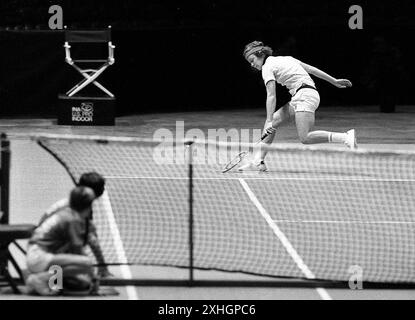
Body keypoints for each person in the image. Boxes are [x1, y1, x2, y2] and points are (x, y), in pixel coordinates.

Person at [239, 41, 356, 172]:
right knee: (276, 122)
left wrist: (268, 120)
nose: (252, 64)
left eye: (252, 59)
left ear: (260, 54)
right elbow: (312, 70)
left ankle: (345, 137)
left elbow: (271, 95)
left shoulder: (267, 67)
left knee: (305, 137)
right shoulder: (286, 59)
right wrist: (334, 81)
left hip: (304, 96)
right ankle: (258, 161)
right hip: (304, 95)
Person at [25, 186, 98, 295]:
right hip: (39, 257)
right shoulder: (73, 220)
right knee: (87, 263)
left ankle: (52, 284)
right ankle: (39, 278)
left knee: (80, 278)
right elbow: (79, 251)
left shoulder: (67, 212)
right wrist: (94, 278)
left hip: (37, 255)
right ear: (87, 205)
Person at [38, 171, 111, 278]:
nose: (104, 190)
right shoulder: (77, 210)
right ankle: (44, 278)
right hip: (45, 253)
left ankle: (53, 279)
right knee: (83, 272)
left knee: (79, 276)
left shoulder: (73, 202)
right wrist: (98, 266)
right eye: (102, 188)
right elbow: (90, 240)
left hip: (39, 250)